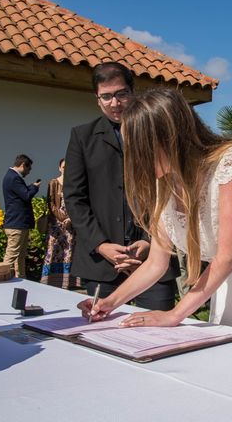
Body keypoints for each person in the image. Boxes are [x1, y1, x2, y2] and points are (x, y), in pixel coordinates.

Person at [79, 88, 232, 341]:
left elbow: (229, 256)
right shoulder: (165, 180)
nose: (134, 158)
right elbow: (156, 262)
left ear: (169, 138)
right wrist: (110, 302)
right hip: (222, 281)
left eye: (140, 148)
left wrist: (174, 314)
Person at [64, 62, 176, 309]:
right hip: (102, 263)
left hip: (154, 257)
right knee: (103, 332)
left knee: (159, 337)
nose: (115, 103)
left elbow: (171, 190)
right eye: (106, 96)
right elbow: (74, 197)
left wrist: (150, 241)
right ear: (97, 99)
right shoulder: (82, 137)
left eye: (121, 94)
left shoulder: (157, 132)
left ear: (132, 92)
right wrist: (101, 245)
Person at [40, 158, 79, 289]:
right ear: (59, 168)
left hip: (71, 224)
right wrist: (63, 218)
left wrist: (71, 218)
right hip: (56, 224)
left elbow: (78, 203)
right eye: (63, 167)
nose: (65, 169)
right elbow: (51, 203)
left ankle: (67, 282)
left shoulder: (74, 184)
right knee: (53, 250)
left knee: (68, 251)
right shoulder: (53, 183)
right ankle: (50, 281)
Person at [2, 154, 40, 278]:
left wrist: (31, 186)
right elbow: (26, 195)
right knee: (12, 255)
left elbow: (21, 193)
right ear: (23, 165)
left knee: (20, 255)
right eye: (28, 169)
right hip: (16, 224)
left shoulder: (12, 177)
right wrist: (34, 188)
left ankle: (21, 279)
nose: (28, 172)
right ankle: (2, 279)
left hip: (18, 224)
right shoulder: (13, 178)